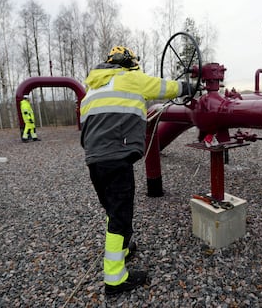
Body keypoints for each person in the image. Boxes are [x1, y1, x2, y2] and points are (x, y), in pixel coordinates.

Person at [80, 46, 193, 296]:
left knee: (112, 209)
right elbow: (165, 88)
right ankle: (115, 279)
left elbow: (84, 128)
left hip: (94, 161)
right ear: (129, 63)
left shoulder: (92, 90)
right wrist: (189, 86)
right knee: (120, 216)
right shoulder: (129, 78)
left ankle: (124, 247)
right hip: (117, 159)